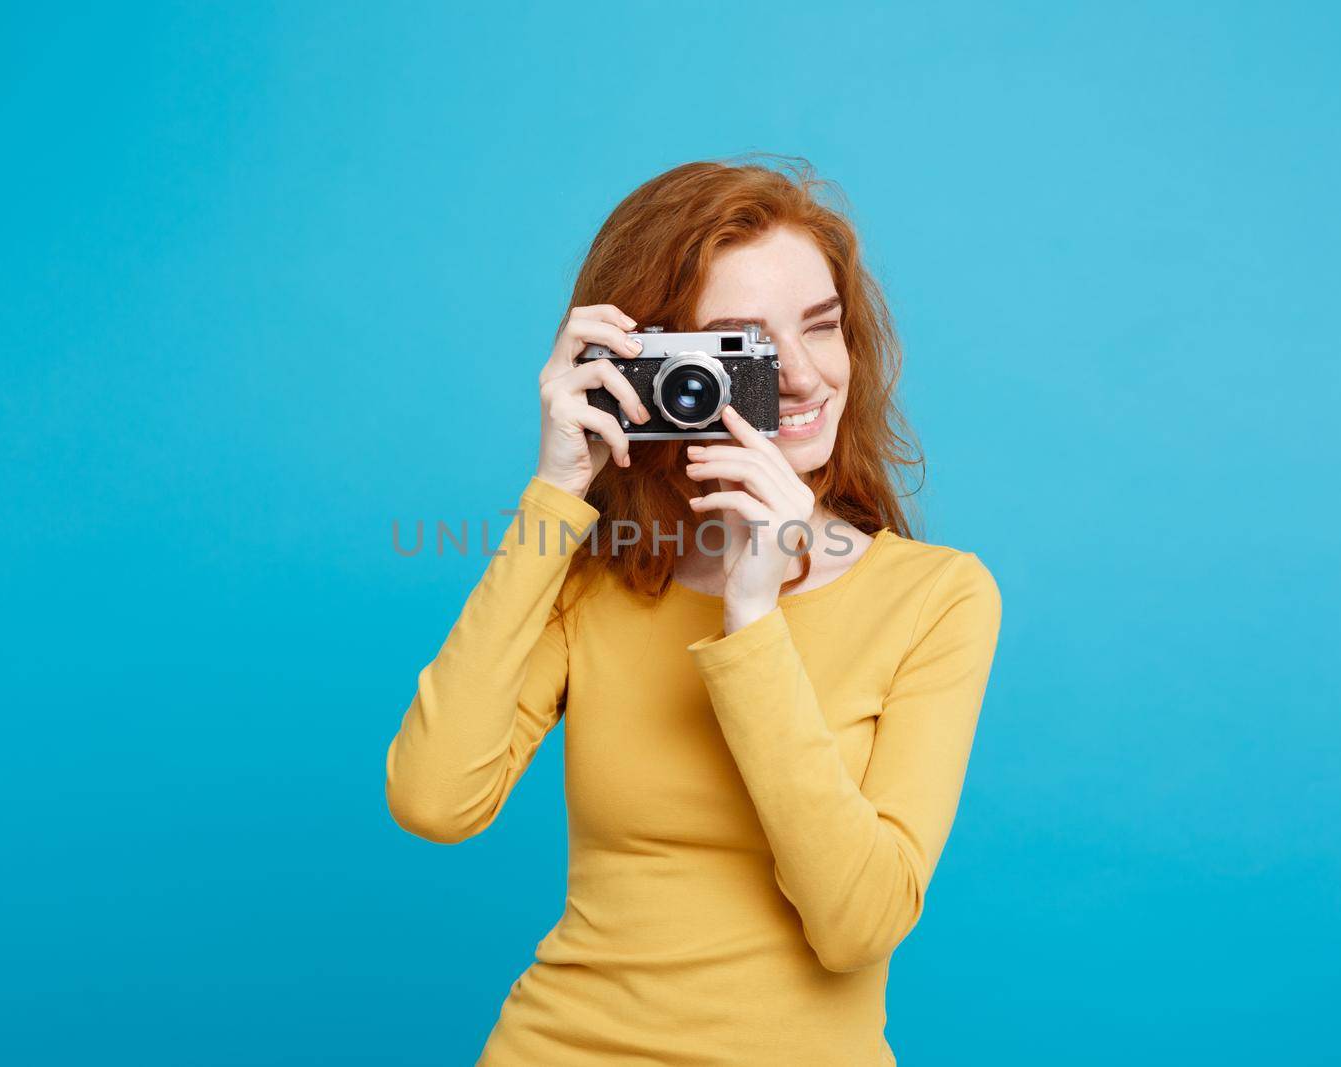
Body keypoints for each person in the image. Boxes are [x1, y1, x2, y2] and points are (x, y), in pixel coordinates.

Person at [384, 156, 1002, 1066]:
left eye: (822, 328)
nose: (798, 376)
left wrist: (754, 617)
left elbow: (858, 925)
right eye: (742, 346)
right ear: (658, 368)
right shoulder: (597, 581)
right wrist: (560, 486)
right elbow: (434, 799)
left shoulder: (937, 597)